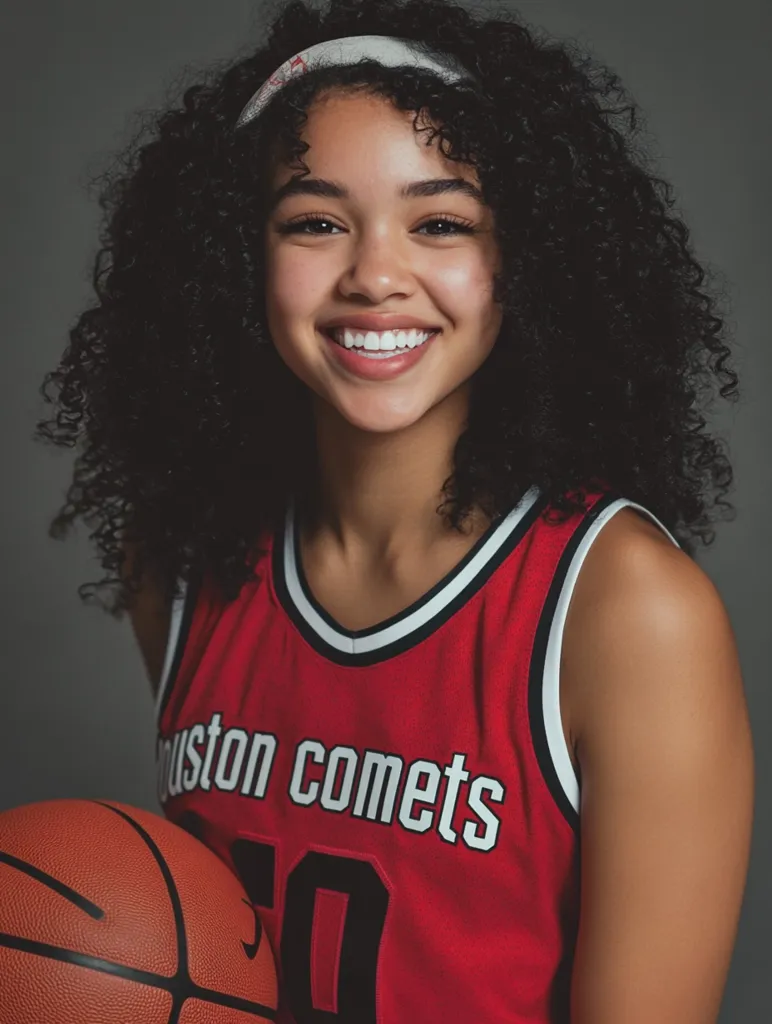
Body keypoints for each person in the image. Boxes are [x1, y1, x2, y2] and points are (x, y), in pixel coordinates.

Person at [36, 0, 754, 1020]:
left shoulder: (626, 610)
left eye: (441, 223)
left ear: (524, 261)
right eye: (315, 222)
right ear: (236, 257)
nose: (376, 275)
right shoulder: (183, 559)